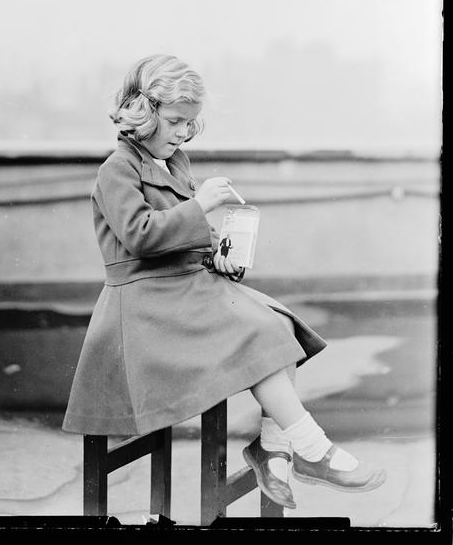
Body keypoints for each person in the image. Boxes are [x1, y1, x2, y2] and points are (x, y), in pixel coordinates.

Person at [62, 54, 386, 510]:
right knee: (259, 330)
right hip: (143, 306)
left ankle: (275, 447)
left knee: (277, 324)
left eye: (189, 125)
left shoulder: (173, 162)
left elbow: (183, 236)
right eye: (175, 122)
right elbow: (140, 236)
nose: (181, 133)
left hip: (181, 289)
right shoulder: (116, 169)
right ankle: (311, 451)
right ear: (144, 113)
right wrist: (201, 206)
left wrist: (218, 255)